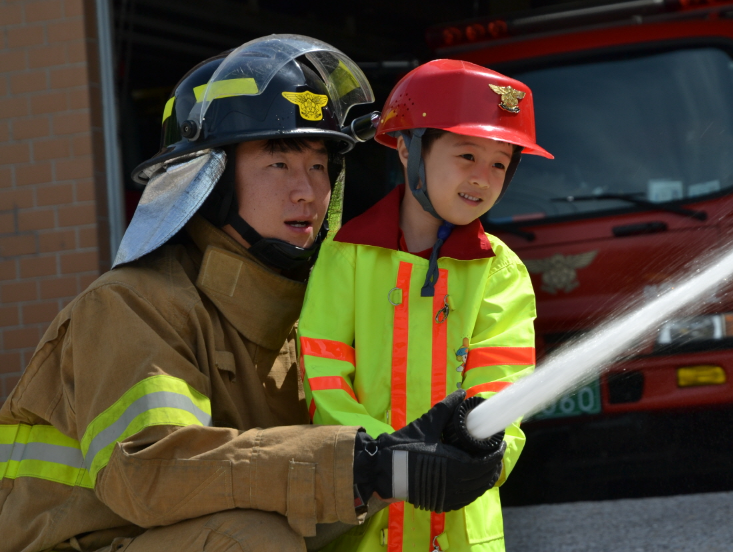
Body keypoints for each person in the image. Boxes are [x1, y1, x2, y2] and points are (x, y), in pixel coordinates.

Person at [0, 37, 503, 552]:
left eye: (319, 164)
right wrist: (365, 464)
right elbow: (152, 473)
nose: (308, 190)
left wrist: (406, 462)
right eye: (279, 163)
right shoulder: (132, 305)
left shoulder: (312, 313)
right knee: (253, 541)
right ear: (209, 181)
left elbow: (304, 485)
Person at [298, 59, 552, 552]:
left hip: (460, 532)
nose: (483, 178)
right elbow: (322, 384)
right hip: (362, 528)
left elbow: (503, 394)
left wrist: (482, 450)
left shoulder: (501, 274)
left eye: (500, 163)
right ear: (407, 148)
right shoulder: (343, 257)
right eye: (466, 155)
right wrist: (394, 462)